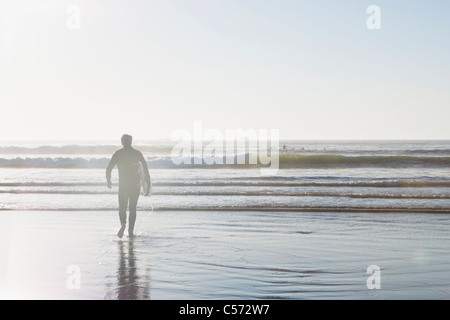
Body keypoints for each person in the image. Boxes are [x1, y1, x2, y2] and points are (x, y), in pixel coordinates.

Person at [106, 134, 151, 238]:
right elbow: (145, 169)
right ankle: (130, 232)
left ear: (122, 142)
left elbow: (109, 168)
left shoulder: (118, 153)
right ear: (131, 142)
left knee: (122, 207)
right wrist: (148, 184)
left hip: (123, 185)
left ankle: (123, 224)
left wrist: (108, 180)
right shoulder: (137, 153)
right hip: (135, 185)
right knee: (132, 208)